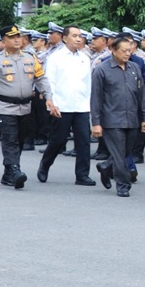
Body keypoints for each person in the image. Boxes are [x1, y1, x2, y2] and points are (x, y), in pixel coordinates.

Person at [0, 24, 53, 189]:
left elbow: (41, 79)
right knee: (10, 139)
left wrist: (48, 97)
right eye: (12, 37)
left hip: (25, 107)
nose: (17, 40)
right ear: (4, 40)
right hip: (5, 106)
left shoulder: (30, 58)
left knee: (21, 139)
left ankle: (8, 171)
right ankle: (15, 170)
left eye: (19, 37)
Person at [90, 36, 145, 197]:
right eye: (124, 51)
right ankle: (123, 184)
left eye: (129, 50)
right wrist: (96, 123)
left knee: (125, 152)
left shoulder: (135, 68)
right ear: (113, 50)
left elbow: (142, 95)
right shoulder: (101, 69)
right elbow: (96, 98)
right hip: (111, 120)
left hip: (132, 119)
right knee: (118, 153)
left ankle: (106, 167)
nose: (127, 54)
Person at [37, 25, 96, 185]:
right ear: (65, 38)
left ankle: (82, 175)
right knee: (58, 140)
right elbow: (50, 82)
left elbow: (88, 84)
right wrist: (52, 104)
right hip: (62, 105)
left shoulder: (85, 58)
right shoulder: (56, 57)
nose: (78, 39)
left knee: (84, 141)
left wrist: (90, 105)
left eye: (80, 36)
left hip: (81, 106)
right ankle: (45, 164)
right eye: (75, 35)